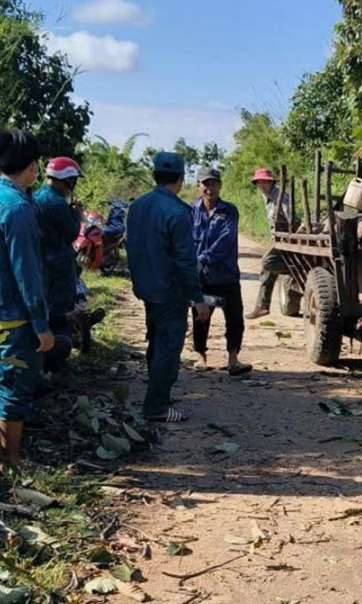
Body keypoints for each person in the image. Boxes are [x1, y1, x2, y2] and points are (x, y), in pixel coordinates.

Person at [0, 130, 55, 470]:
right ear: (32, 167)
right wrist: (41, 326)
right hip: (13, 312)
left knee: (2, 380)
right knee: (15, 386)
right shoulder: (17, 207)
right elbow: (27, 272)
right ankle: (11, 461)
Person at [126, 152, 210, 423]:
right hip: (170, 291)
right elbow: (185, 260)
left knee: (156, 341)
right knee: (168, 347)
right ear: (181, 177)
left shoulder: (137, 206)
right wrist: (197, 299)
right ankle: (156, 407)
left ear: (154, 175)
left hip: (147, 289)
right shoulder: (178, 211)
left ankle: (157, 394)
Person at [191, 167, 252, 376]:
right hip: (202, 278)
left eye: (214, 183)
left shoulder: (229, 211)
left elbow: (225, 241)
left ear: (220, 185)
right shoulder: (191, 211)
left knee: (235, 318)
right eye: (206, 183)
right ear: (198, 185)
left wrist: (202, 259)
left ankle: (233, 359)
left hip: (226, 275)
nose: (210, 188)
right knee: (200, 317)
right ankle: (201, 356)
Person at [33, 157, 86, 370]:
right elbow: (72, 233)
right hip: (59, 264)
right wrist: (77, 215)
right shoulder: (56, 202)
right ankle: (57, 359)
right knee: (63, 310)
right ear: (68, 180)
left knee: (47, 309)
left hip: (40, 263)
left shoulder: (36, 197)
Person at [245, 167, 294, 319]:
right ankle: (262, 306)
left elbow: (292, 218)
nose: (261, 186)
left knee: (267, 262)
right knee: (267, 271)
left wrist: (291, 234)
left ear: (271, 183)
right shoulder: (266, 198)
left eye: (265, 182)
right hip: (276, 239)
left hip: (285, 239)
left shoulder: (280, 197)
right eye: (259, 183)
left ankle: (294, 272)